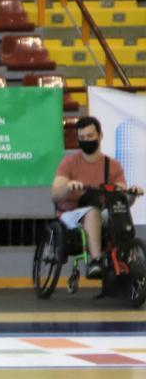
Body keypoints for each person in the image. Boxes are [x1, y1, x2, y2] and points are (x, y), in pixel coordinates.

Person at [50, 115, 141, 280]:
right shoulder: (69, 163)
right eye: (82, 138)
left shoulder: (112, 166)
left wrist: (131, 194)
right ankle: (96, 261)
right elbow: (55, 195)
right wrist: (68, 187)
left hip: (101, 210)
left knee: (117, 212)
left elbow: (121, 197)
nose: (86, 140)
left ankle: (122, 259)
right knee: (92, 212)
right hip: (71, 213)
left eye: (90, 136)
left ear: (100, 136)